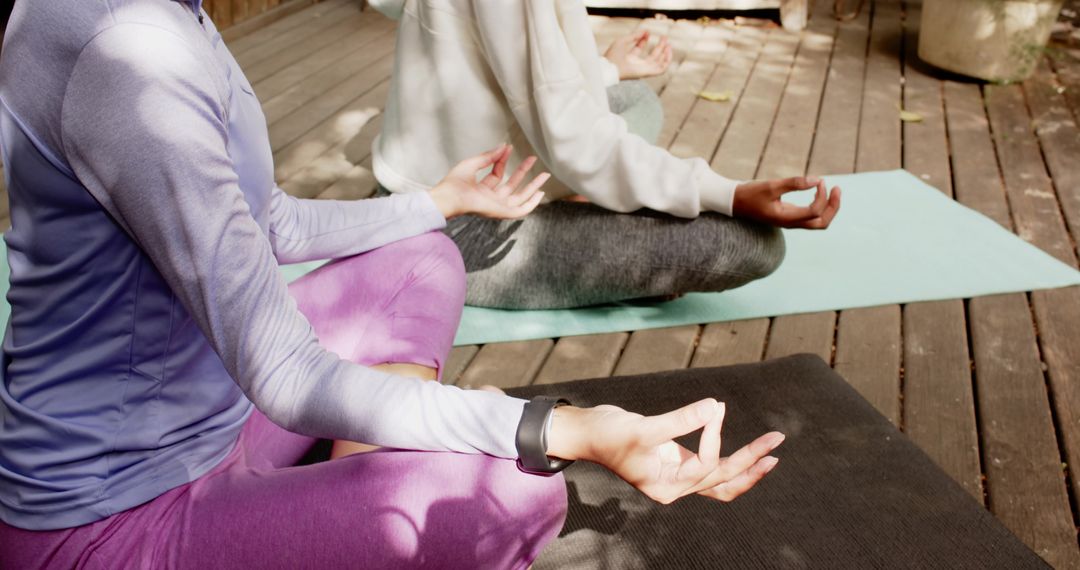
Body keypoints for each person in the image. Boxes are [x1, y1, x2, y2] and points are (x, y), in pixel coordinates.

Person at [0, 0, 785, 567]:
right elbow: (284, 373)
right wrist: (568, 428)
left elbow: (268, 221)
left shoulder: (175, 19)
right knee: (520, 495)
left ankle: (349, 490)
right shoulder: (129, 47)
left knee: (423, 255)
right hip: (113, 519)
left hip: (214, 419)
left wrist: (436, 202)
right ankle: (359, 504)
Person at [370, 0, 843, 309]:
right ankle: (596, 246)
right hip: (447, 236)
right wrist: (731, 194)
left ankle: (585, 210)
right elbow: (579, 141)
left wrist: (606, 68)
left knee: (637, 101)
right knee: (748, 246)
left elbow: (486, 59)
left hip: (444, 180)